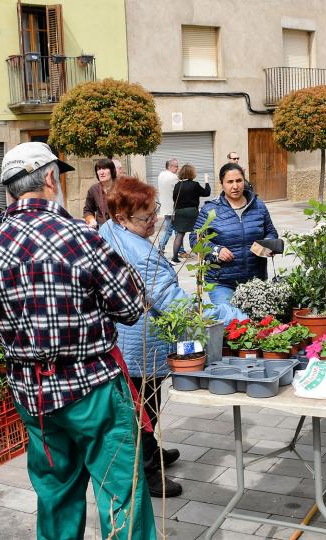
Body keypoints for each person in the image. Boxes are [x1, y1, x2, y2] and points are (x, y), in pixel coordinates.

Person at [0, 142, 155, 539]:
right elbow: (130, 307)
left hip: (34, 394)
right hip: (95, 391)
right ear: (51, 179)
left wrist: (10, 333)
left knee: (56, 498)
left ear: (9, 189)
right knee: (120, 495)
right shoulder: (83, 238)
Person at [99, 176, 248, 499]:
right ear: (122, 217)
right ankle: (147, 471)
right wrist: (232, 317)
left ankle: (151, 449)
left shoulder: (111, 232)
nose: (154, 220)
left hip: (131, 340)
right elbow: (174, 303)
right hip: (138, 343)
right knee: (142, 407)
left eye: (154, 211)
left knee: (146, 403)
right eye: (146, 216)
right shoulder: (138, 253)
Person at [192, 163, 278, 305]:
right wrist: (216, 250)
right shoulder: (210, 210)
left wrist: (268, 244)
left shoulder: (258, 206)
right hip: (222, 282)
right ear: (222, 184)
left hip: (255, 280)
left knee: (257, 323)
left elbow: (270, 231)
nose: (235, 186)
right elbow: (195, 240)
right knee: (231, 320)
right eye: (230, 182)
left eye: (239, 181)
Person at [171, 164, 211, 263]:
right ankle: (201, 255)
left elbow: (174, 199)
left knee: (179, 235)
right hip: (192, 211)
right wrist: (206, 181)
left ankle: (175, 257)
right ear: (191, 173)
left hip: (180, 212)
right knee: (198, 233)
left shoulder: (177, 185)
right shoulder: (195, 184)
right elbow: (207, 193)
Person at [156, 159, 181, 258]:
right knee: (171, 230)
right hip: (173, 208)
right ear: (170, 166)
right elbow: (179, 191)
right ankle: (160, 248)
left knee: (177, 230)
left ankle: (181, 250)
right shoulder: (174, 177)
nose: (177, 168)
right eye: (176, 166)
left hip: (165, 207)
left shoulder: (161, 175)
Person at [83, 159, 116, 228]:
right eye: (98, 169)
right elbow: (88, 210)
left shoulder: (122, 187)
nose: (101, 172)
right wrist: (91, 219)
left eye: (104, 169)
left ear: (112, 171)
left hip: (122, 229)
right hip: (103, 230)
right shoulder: (93, 189)